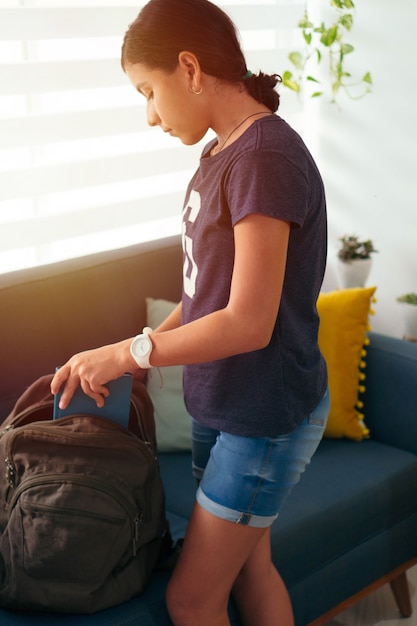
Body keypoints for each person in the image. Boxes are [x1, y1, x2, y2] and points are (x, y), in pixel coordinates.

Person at [51, 0, 329, 624]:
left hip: (262, 414)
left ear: (189, 67)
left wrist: (129, 353)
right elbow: (208, 296)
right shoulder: (221, 153)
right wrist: (138, 347)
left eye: (149, 91)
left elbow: (249, 322)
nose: (149, 116)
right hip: (224, 401)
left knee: (190, 597)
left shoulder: (264, 158)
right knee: (252, 570)